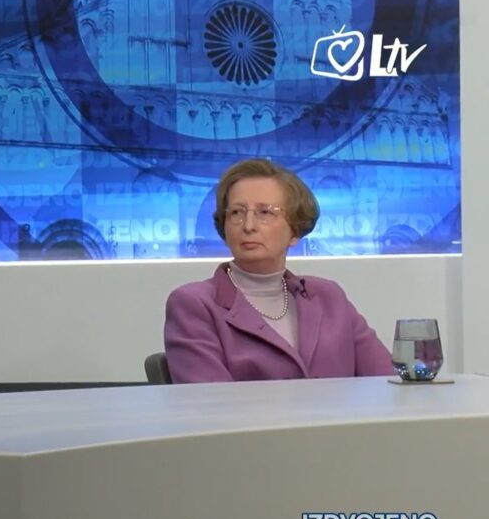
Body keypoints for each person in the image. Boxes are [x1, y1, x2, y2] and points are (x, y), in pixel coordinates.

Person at [163, 158, 394, 382]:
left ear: (294, 230)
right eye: (236, 213)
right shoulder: (194, 304)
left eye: (265, 212)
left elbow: (388, 381)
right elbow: (211, 402)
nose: (248, 226)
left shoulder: (329, 296)